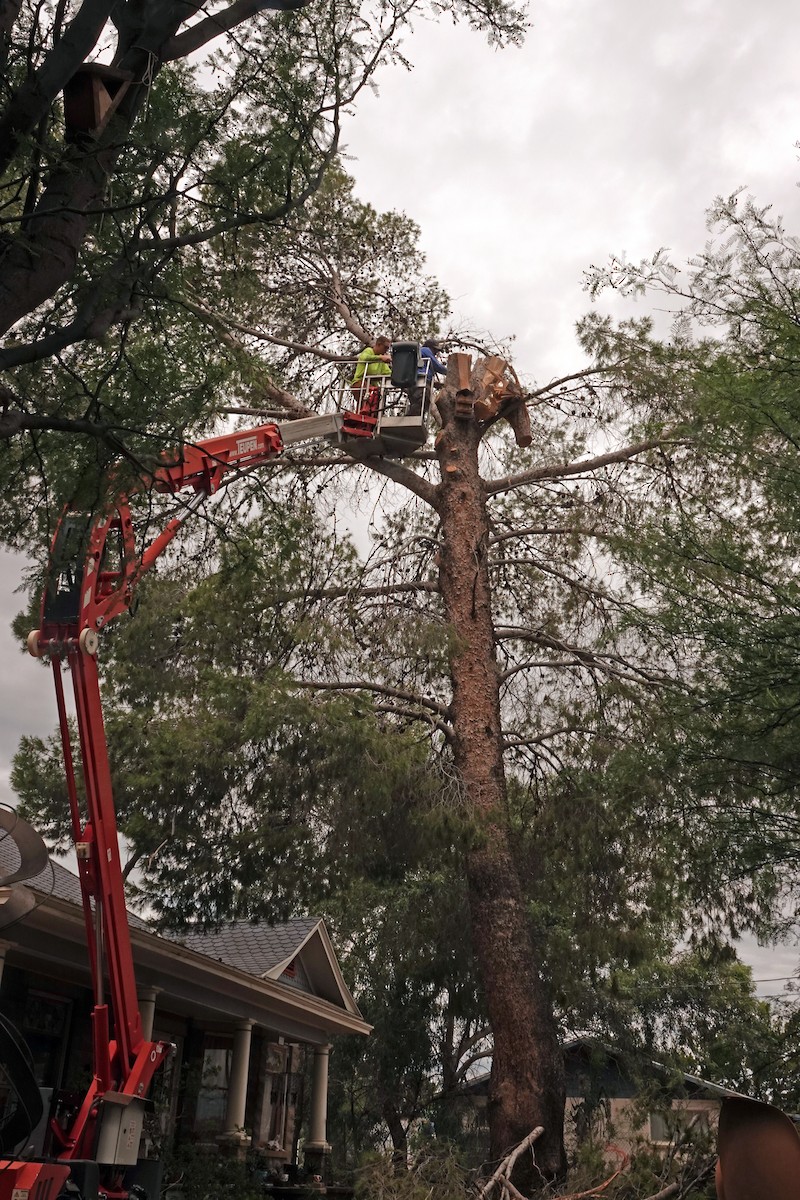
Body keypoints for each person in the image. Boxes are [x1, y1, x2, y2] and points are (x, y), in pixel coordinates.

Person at [351, 335, 392, 418]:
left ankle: (374, 417)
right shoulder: (369, 351)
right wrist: (380, 357)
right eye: (385, 348)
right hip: (359, 384)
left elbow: (388, 373)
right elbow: (364, 358)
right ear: (379, 345)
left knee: (380, 395)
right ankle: (363, 415)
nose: (386, 351)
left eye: (388, 349)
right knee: (370, 394)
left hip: (372, 388)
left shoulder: (382, 362)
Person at [406, 339, 447, 417]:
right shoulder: (425, 350)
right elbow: (437, 366)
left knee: (419, 404)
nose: (436, 353)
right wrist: (450, 372)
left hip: (415, 381)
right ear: (430, 347)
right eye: (435, 350)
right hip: (420, 380)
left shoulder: (420, 354)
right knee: (422, 401)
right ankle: (409, 418)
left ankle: (413, 418)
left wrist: (434, 384)